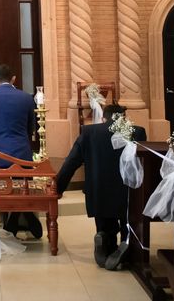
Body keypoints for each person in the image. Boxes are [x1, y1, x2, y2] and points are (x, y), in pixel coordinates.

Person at [56, 103, 147, 270]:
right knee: (128, 222)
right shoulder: (137, 131)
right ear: (123, 118)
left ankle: (104, 238)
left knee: (105, 222)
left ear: (104, 117)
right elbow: (143, 164)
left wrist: (58, 188)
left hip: (99, 191)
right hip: (127, 191)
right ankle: (125, 246)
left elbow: (71, 162)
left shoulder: (89, 132)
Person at [0, 64, 41, 238]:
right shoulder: (26, 98)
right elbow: (32, 127)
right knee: (23, 183)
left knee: (1, 187)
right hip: (22, 153)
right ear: (14, 79)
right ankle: (24, 213)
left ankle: (11, 216)